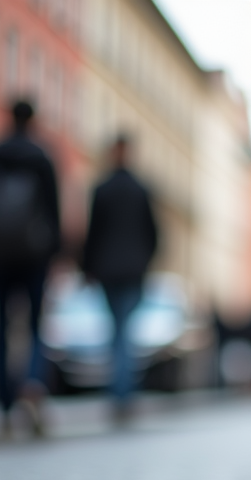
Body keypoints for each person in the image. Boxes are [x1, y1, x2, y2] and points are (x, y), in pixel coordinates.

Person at [0, 100, 60, 437]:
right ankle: (34, 385)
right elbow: (54, 212)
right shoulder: (42, 156)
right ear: (34, 120)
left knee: (2, 330)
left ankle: (4, 407)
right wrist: (56, 257)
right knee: (37, 326)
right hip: (36, 255)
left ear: (10, 118)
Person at [82, 135, 158, 423]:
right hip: (133, 271)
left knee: (116, 331)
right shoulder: (141, 189)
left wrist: (87, 268)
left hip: (107, 271)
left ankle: (119, 393)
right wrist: (144, 261)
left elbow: (93, 233)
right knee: (124, 331)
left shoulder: (102, 189)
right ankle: (123, 394)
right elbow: (154, 233)